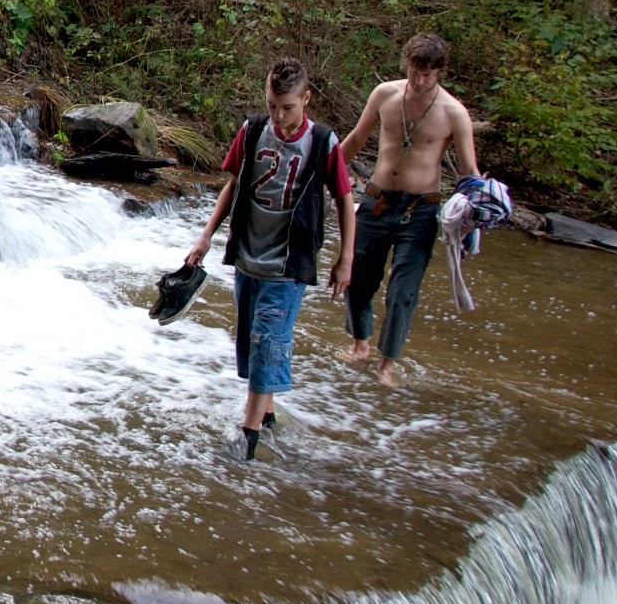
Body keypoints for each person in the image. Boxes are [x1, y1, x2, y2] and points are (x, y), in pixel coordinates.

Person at [185, 57, 355, 460]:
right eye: (273, 105)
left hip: (288, 262)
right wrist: (206, 236)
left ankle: (248, 432)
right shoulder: (253, 130)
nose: (279, 116)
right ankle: (270, 412)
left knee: (266, 340)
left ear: (306, 98)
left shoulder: (322, 142)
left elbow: (345, 200)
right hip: (248, 256)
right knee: (250, 342)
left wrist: (346, 258)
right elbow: (232, 184)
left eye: (288, 108)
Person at [337, 32, 479, 387]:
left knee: (403, 290)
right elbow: (356, 138)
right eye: (415, 71)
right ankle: (361, 344)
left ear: (440, 72)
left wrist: (476, 218)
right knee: (356, 278)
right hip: (376, 199)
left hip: (421, 208)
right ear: (406, 64)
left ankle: (387, 363)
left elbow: (469, 174)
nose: (419, 80)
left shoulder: (454, 113)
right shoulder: (385, 94)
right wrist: (323, 173)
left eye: (427, 74)